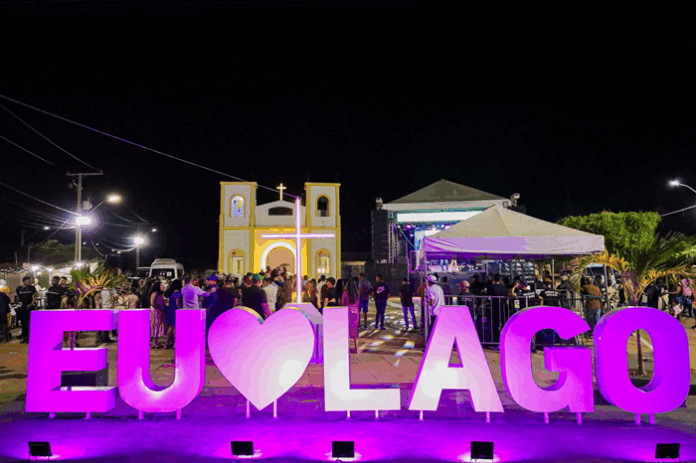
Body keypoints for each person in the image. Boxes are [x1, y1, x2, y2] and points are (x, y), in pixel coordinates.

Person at [15, 276, 37, 344]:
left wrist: (31, 304)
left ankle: (29, 338)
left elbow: (35, 296)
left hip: (29, 307)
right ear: (24, 281)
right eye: (28, 281)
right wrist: (18, 303)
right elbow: (17, 297)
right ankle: (24, 336)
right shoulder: (19, 288)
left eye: (30, 281)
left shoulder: (32, 288)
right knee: (23, 322)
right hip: (22, 307)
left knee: (29, 323)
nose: (29, 282)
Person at [342, 278, 360, 353]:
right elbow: (358, 304)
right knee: (355, 330)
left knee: (347, 330)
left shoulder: (345, 294)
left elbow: (343, 304)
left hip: (348, 312)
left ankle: (348, 347)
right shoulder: (357, 294)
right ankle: (356, 347)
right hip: (355, 312)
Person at [164, 279, 183, 349]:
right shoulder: (177, 293)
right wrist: (180, 310)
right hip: (175, 311)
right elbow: (178, 304)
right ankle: (175, 343)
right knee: (175, 328)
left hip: (170, 310)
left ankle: (167, 343)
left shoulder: (171, 293)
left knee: (170, 327)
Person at [426, 275, 444, 340]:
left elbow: (432, 302)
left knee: (432, 329)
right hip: (441, 310)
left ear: (429, 281)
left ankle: (429, 342)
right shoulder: (439, 288)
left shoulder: (431, 289)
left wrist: (427, 303)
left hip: (435, 312)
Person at [149, 281, 167, 348]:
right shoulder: (155, 294)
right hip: (156, 311)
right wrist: (158, 307)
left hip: (159, 311)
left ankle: (156, 341)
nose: (162, 287)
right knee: (155, 325)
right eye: (161, 286)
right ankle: (154, 342)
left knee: (158, 326)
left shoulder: (159, 294)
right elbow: (152, 303)